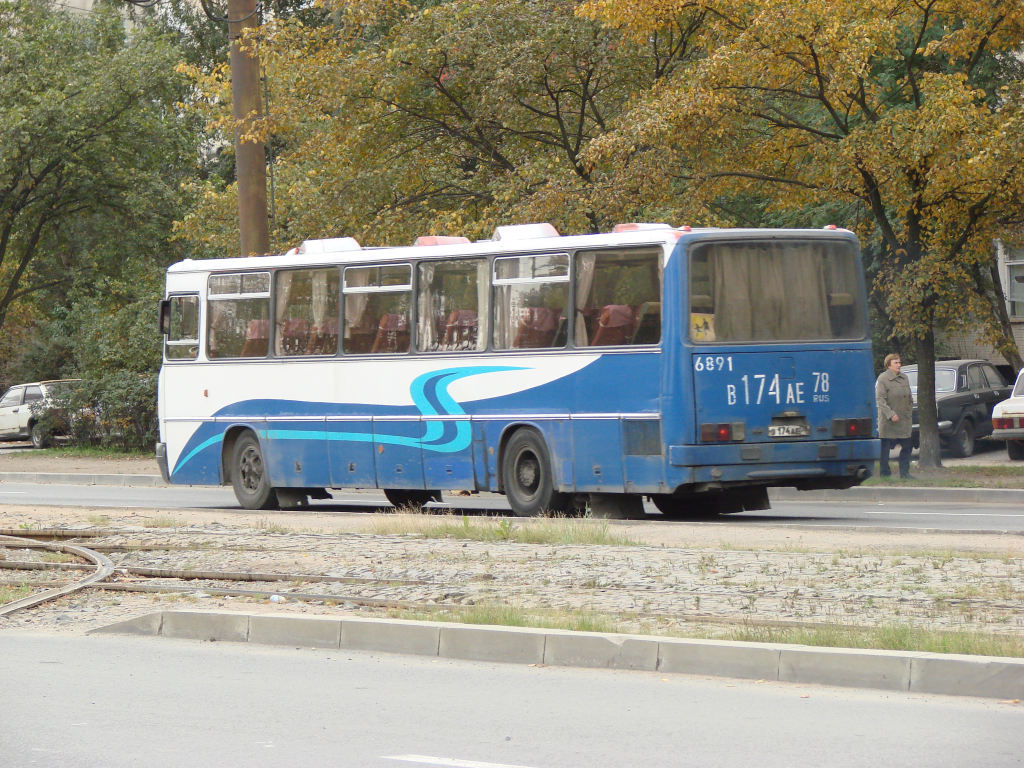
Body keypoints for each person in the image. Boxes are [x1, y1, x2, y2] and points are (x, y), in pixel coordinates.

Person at [876, 353, 914, 479]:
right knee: (885, 448)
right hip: (889, 421)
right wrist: (890, 414)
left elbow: (908, 395)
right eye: (895, 363)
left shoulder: (904, 378)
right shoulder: (883, 379)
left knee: (907, 446)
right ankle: (885, 473)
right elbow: (880, 400)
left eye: (899, 362)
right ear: (888, 365)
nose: (899, 365)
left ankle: (905, 473)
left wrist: (909, 408)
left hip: (904, 419)